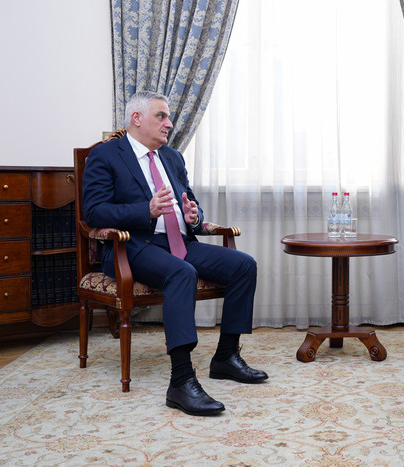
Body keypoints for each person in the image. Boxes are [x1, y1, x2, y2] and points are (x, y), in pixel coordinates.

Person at [82, 91, 268, 416]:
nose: (169, 123)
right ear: (136, 118)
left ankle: (226, 356)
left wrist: (193, 216)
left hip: (180, 243)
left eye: (168, 117)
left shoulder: (172, 157)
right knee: (182, 273)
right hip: (133, 247)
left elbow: (190, 203)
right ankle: (181, 381)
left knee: (244, 265)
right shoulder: (106, 156)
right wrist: (145, 210)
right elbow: (94, 211)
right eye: (162, 116)